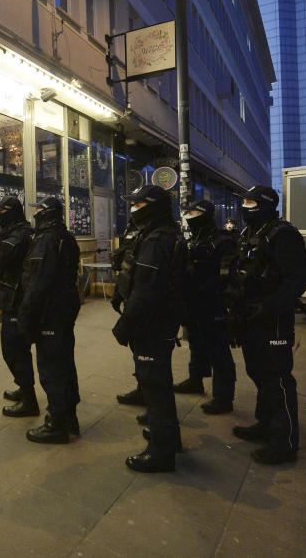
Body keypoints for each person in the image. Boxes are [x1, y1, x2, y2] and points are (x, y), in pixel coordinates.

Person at [226, 185, 306, 465]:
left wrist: (270, 306)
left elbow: (299, 278)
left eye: (251, 202)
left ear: (264, 204)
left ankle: (284, 442)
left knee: (277, 378)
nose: (245, 206)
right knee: (258, 372)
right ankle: (265, 425)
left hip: (273, 319)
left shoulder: (282, 234)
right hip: (251, 317)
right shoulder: (249, 233)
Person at [111, 185, 187, 472]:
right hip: (158, 321)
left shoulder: (157, 239)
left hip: (152, 324)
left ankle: (161, 452)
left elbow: (147, 289)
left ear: (152, 206)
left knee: (155, 387)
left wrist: (125, 326)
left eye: (139, 204)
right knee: (158, 384)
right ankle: (167, 437)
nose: (133, 208)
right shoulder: (159, 233)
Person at [18, 197, 81, 443]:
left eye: (41, 210)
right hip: (64, 309)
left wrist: (27, 317)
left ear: (49, 213)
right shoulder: (66, 238)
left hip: (50, 313)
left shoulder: (46, 240)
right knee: (65, 364)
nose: (37, 214)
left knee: (52, 368)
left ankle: (56, 423)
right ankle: (69, 417)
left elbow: (37, 284)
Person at [175, 199, 237, 414]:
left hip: (213, 304)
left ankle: (223, 397)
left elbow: (226, 278)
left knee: (218, 350)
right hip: (193, 302)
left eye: (193, 212)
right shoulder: (193, 238)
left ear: (204, 214)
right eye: (187, 212)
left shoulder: (222, 241)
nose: (189, 216)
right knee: (195, 343)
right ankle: (195, 380)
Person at [0, 196, 37, 417]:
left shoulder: (19, 235)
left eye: (0, 213)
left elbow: (0, 259)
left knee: (14, 349)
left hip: (18, 300)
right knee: (15, 350)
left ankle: (29, 400)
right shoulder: (16, 232)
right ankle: (24, 388)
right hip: (12, 296)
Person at [112, 218, 147, 409]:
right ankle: (143, 389)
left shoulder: (156, 236)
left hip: (145, 302)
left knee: (149, 356)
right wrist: (118, 292)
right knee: (138, 349)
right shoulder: (135, 230)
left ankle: (158, 413)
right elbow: (125, 263)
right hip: (131, 296)